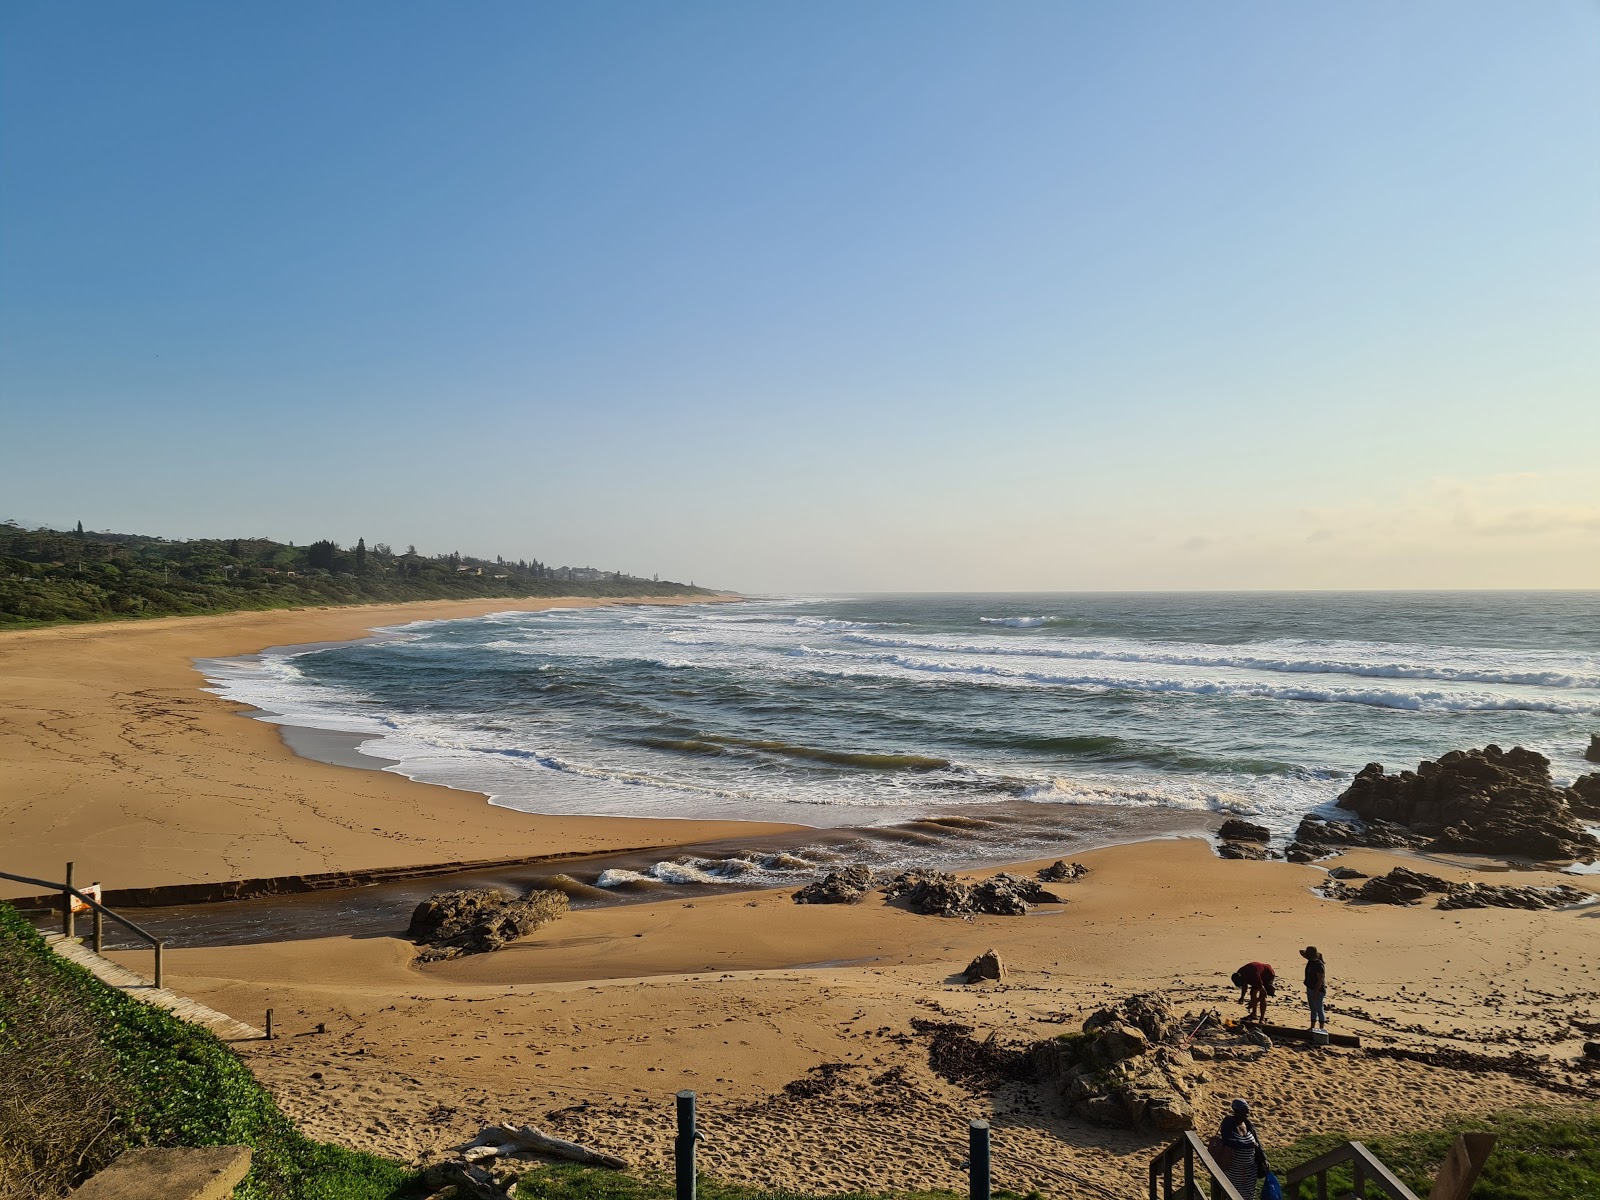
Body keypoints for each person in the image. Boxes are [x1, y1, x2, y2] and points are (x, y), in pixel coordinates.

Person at [1218, 1098, 1265, 1198]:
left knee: (1248, 1196)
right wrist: (1247, 1145)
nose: (1247, 1115)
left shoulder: (1248, 1124)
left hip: (1250, 1172)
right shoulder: (1228, 1123)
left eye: (1247, 1112)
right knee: (1231, 1195)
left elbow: (1257, 1143)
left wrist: (1264, 1159)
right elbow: (1229, 1141)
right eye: (1244, 1112)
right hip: (1234, 1171)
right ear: (1236, 1112)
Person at [1301, 945, 1327, 1032]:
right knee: (1312, 1008)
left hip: (1317, 990)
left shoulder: (1319, 965)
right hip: (1310, 988)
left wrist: (1316, 992)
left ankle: (1321, 1028)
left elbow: (1320, 980)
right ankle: (1312, 1027)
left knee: (1319, 1009)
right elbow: (1301, 952)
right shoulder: (1311, 961)